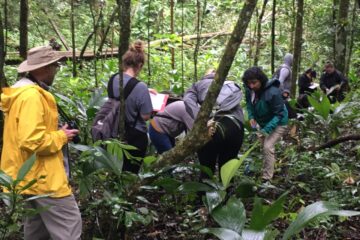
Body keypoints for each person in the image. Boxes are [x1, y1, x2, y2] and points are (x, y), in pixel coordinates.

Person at [0, 46, 82, 239]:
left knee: (38, 231)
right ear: (44, 68)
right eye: (55, 66)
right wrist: (62, 136)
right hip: (44, 178)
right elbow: (32, 140)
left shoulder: (22, 93)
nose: (56, 70)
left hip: (29, 176)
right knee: (69, 227)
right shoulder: (31, 97)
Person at [183, 70, 245, 179]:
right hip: (235, 126)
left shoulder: (197, 85)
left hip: (211, 126)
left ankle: (204, 194)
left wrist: (201, 120)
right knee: (227, 169)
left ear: (205, 76)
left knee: (206, 169)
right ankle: (226, 193)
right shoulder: (231, 84)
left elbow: (188, 100)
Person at [107, 40, 153, 173]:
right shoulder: (140, 86)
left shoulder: (113, 79)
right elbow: (145, 116)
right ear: (139, 65)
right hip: (135, 136)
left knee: (117, 170)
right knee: (131, 172)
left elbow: (118, 97)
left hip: (113, 132)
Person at [242, 66, 288, 181]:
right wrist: (251, 116)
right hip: (263, 122)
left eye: (254, 83)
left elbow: (279, 114)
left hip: (279, 122)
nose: (251, 86)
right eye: (249, 83)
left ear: (261, 80)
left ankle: (267, 178)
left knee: (267, 147)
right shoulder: (250, 90)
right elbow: (249, 104)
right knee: (263, 146)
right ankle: (267, 167)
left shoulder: (273, 92)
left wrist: (266, 130)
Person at [273, 53, 296, 118]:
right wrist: (283, 93)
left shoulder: (283, 67)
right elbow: (280, 82)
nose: (292, 61)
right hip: (282, 95)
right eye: (292, 59)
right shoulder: (285, 69)